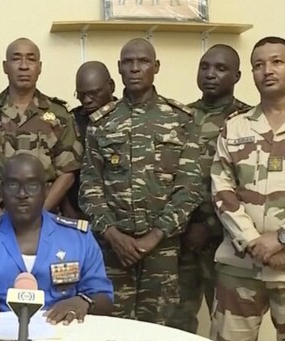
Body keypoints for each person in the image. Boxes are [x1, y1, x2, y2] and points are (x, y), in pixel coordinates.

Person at [210, 36, 285, 341]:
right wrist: (253, 242)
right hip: (240, 268)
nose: (267, 70)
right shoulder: (235, 126)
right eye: (258, 65)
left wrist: (282, 238)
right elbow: (221, 189)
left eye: (276, 62)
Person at [79, 38, 202, 325]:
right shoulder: (102, 122)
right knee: (109, 328)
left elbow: (190, 186)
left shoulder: (181, 119)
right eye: (128, 62)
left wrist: (155, 236)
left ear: (156, 67)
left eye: (143, 61)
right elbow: (89, 186)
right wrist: (113, 235)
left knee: (160, 333)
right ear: (119, 69)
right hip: (113, 250)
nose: (135, 68)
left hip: (163, 250)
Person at [0, 154, 113, 324]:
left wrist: (83, 302)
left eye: (32, 185)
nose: (22, 194)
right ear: (2, 190)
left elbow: (104, 297)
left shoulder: (78, 238)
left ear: (45, 190)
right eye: (13, 185)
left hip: (62, 338)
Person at [167, 45, 249, 333]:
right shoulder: (180, 117)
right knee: (175, 322)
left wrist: (210, 226)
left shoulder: (249, 122)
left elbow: (250, 186)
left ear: (237, 76)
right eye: (204, 67)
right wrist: (187, 226)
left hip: (228, 242)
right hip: (182, 239)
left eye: (220, 68)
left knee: (229, 325)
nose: (210, 74)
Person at [0, 38, 82, 220]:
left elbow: (67, 173)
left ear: (39, 67)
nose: (24, 66)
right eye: (16, 59)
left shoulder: (60, 115)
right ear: (5, 66)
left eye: (31, 59)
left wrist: (40, 215)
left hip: (45, 220)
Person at [62, 61, 115, 220]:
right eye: (81, 94)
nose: (87, 100)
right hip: (78, 213)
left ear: (111, 86)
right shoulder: (71, 121)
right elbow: (61, 169)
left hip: (119, 215)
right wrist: (67, 209)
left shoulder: (128, 117)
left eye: (94, 93)